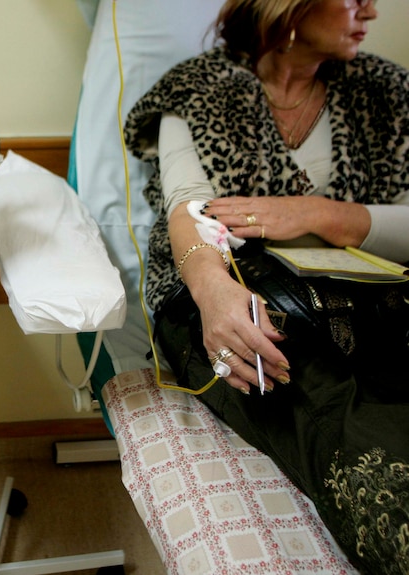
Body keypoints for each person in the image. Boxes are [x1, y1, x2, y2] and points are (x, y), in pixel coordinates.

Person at [124, 0, 408, 573]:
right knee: (307, 388)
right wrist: (213, 295)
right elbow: (190, 209)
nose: (371, 11)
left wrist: (319, 214)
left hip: (374, 298)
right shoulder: (201, 89)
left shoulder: (386, 93)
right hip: (232, 286)